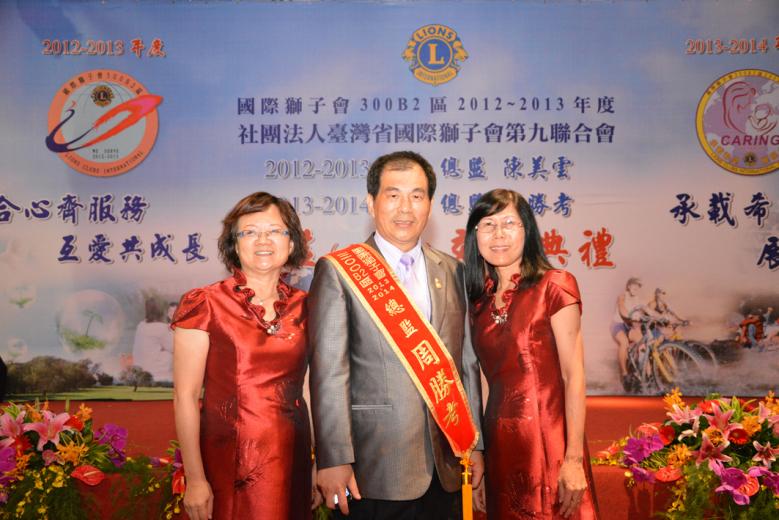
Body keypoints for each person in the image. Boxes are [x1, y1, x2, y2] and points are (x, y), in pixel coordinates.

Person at [308, 151, 484, 519]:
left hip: (447, 463)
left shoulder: (453, 270)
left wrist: (476, 445)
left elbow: (465, 365)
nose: (405, 208)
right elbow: (330, 372)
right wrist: (334, 457)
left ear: (430, 204)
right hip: (374, 466)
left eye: (417, 196)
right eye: (393, 195)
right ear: (371, 203)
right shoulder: (340, 271)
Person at [172, 192, 320, 520]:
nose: (263, 240)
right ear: (234, 245)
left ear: (291, 243)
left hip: (292, 461)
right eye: (250, 232)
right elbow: (185, 397)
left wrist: (316, 463)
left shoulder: (307, 307)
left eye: (275, 231)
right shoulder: (205, 304)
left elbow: (309, 391)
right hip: (227, 464)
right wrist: (195, 479)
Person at [464, 189, 597, 519]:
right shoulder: (478, 304)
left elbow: (573, 375)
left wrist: (573, 459)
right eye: (488, 225)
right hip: (500, 448)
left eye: (509, 223)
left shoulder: (554, 285)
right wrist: (481, 455)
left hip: (550, 443)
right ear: (474, 236)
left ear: (528, 231)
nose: (499, 234)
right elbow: (483, 385)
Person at [610, 277, 644, 392]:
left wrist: (659, 317)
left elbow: (647, 310)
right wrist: (630, 316)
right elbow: (622, 308)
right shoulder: (622, 296)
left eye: (638, 286)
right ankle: (625, 375)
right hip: (618, 325)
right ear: (629, 286)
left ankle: (644, 373)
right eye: (634, 285)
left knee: (642, 342)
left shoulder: (638, 299)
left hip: (629, 326)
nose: (636, 288)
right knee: (624, 343)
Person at [131, 295, 173, 384]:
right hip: (157, 373)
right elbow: (175, 348)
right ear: (162, 311)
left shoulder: (141, 325)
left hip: (141, 370)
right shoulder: (162, 328)